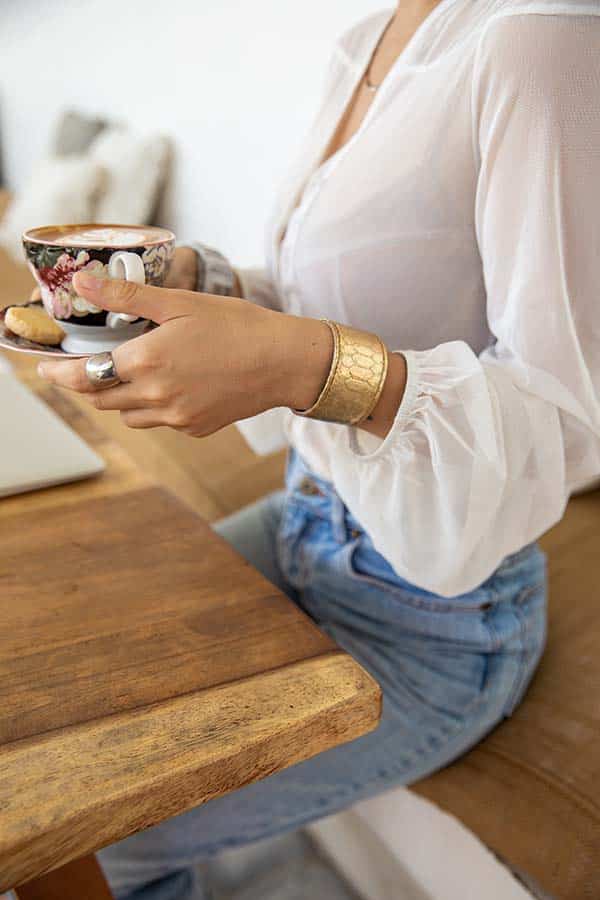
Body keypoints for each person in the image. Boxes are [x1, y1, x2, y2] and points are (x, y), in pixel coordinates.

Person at [38, 0, 600, 897]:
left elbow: (567, 423)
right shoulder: (371, 38)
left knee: (86, 839)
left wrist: (302, 369)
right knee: (49, 697)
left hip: (435, 611)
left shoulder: (544, 41)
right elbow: (319, 294)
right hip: (310, 518)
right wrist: (196, 285)